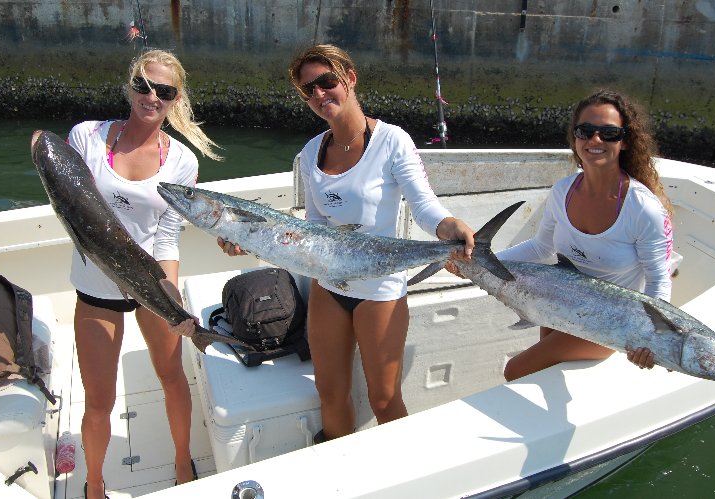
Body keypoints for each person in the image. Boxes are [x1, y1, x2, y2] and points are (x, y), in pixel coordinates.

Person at [214, 43, 475, 442]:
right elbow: (315, 229)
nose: (320, 94)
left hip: (379, 290)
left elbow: (423, 206)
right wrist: (253, 241)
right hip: (329, 287)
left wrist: (450, 226)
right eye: (308, 90)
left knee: (384, 398)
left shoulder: (392, 141)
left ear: (349, 79)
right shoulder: (309, 152)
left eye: (327, 82)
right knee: (329, 393)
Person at [67, 49, 222, 498]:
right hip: (95, 286)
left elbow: (168, 237)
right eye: (143, 85)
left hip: (150, 281)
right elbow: (74, 207)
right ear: (130, 85)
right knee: (99, 401)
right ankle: (94, 482)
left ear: (177, 99)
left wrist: (171, 301)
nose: (151, 96)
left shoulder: (182, 163)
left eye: (165, 90)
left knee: (171, 374)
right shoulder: (88, 137)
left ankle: (180, 460)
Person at [481, 89, 673, 381]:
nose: (595, 140)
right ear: (575, 138)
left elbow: (659, 280)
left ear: (624, 141)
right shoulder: (562, 191)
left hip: (609, 322)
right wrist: (477, 260)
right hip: (557, 302)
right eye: (586, 131)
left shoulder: (643, 209)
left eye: (609, 133)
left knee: (516, 370)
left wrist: (651, 338)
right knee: (547, 377)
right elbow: (539, 248)